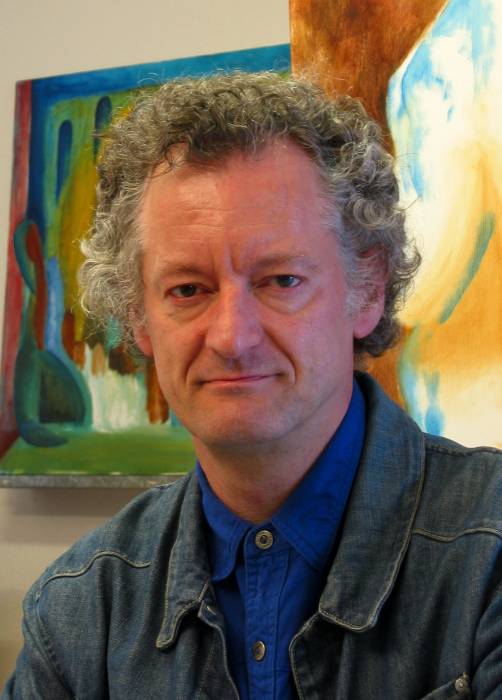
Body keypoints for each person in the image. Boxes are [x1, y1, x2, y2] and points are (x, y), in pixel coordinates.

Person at [3, 72, 502, 700]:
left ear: (368, 289)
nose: (232, 337)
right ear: (138, 318)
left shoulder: (487, 556)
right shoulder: (79, 612)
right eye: (188, 289)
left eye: (281, 280)